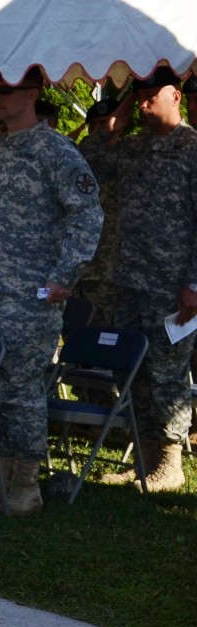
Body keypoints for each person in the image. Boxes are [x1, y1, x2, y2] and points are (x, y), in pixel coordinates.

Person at [0, 68, 102, 515]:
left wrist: (64, 276)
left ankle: (27, 485)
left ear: (33, 93)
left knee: (22, 389)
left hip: (28, 294)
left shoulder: (56, 150)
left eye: (5, 90)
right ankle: (1, 476)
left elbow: (88, 215)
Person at [102, 66, 197, 491]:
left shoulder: (193, 148)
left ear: (175, 96)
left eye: (147, 95)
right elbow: (87, 167)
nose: (141, 104)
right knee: (132, 367)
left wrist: (194, 283)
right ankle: (144, 457)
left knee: (167, 371)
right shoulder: (131, 148)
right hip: (128, 277)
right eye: (135, 96)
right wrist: (112, 125)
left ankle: (170, 463)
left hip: (172, 283)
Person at [74, 95, 131, 325]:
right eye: (94, 125)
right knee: (75, 335)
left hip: (109, 271)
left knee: (106, 335)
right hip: (77, 268)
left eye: (106, 123)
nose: (100, 130)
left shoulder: (130, 156)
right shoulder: (77, 158)